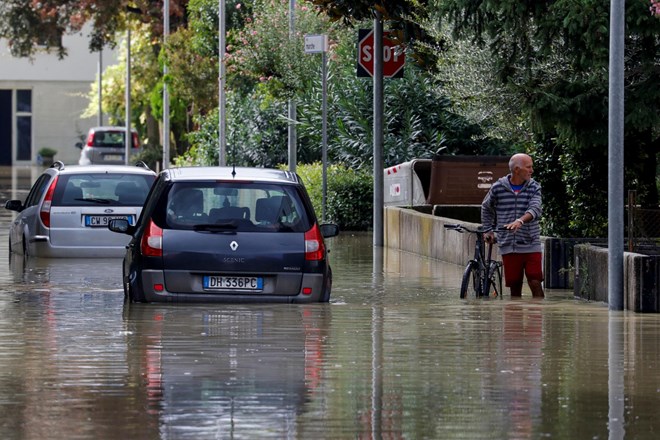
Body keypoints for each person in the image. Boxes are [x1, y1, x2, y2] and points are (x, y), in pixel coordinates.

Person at [481, 153, 544, 298]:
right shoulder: (498, 188)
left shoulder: (534, 187)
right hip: (508, 243)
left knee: (535, 280)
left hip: (530, 242)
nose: (531, 170)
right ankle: (514, 317)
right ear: (517, 169)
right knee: (514, 284)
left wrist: (520, 221)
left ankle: (538, 316)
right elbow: (486, 207)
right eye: (528, 167)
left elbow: (535, 209)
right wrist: (488, 230)